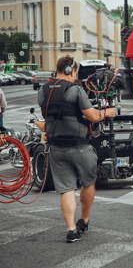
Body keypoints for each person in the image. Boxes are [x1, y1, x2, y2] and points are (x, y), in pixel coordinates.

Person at [38, 55, 116, 243]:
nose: (75, 76)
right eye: (75, 72)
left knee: (66, 190)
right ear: (70, 71)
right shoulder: (75, 90)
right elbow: (93, 117)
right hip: (80, 146)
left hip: (56, 148)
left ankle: (71, 229)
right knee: (88, 183)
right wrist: (107, 112)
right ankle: (85, 220)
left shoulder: (43, 90)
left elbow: (49, 117)